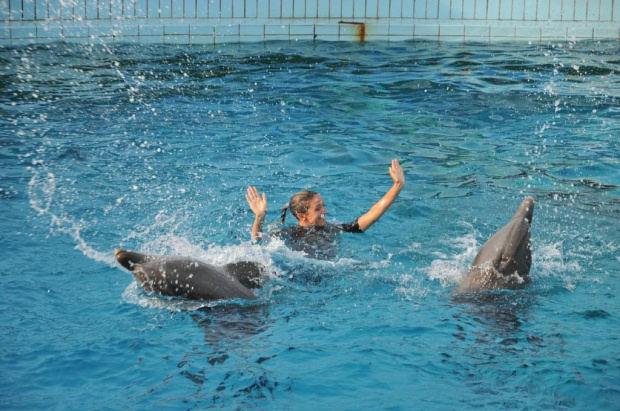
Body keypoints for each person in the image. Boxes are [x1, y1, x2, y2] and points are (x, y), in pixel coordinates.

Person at [245, 159, 405, 258]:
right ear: (302, 216)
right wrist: (259, 217)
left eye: (323, 206)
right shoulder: (288, 234)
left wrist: (397, 186)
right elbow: (258, 243)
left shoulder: (334, 228)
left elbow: (372, 216)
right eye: (318, 209)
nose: (325, 212)